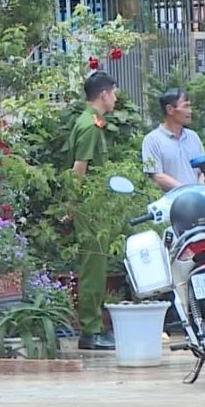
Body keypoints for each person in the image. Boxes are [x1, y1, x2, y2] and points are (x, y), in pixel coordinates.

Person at [66, 70, 119, 350]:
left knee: (97, 268)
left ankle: (95, 327)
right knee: (92, 268)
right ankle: (90, 330)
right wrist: (73, 206)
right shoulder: (89, 127)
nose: (115, 98)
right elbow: (79, 169)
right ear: (104, 94)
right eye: (113, 92)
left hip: (95, 205)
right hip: (90, 207)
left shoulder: (91, 122)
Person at [141, 88, 205, 193]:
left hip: (197, 202)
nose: (190, 111)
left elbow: (204, 170)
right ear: (170, 109)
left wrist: (199, 190)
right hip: (170, 205)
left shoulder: (193, 137)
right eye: (185, 106)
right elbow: (156, 176)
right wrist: (186, 191)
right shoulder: (152, 140)